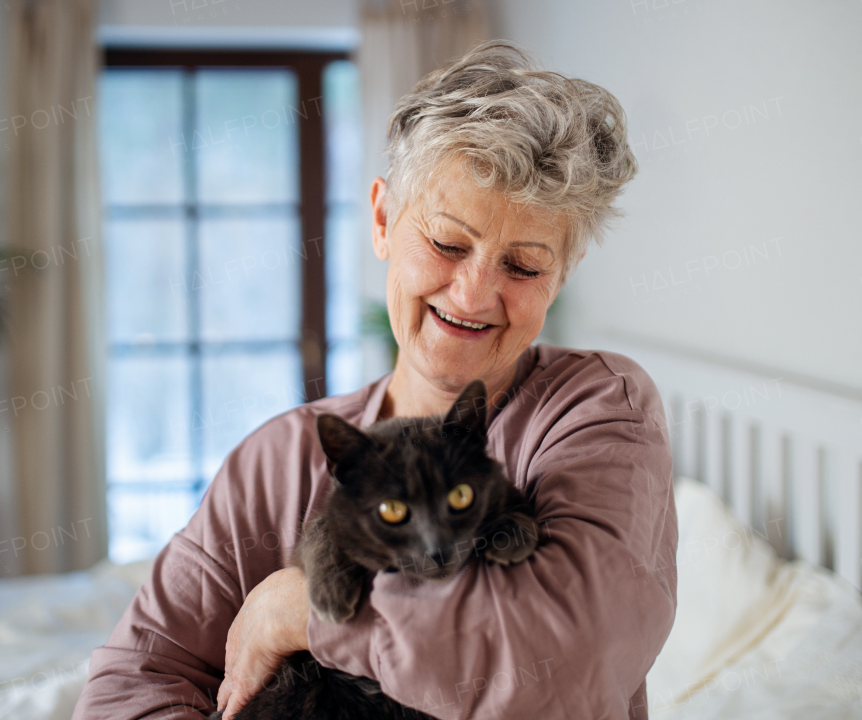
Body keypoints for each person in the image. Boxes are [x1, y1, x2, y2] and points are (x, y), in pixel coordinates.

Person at [73, 39, 677, 720]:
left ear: (562, 274)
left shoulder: (599, 412)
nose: (475, 295)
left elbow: (565, 660)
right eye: (448, 244)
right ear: (384, 218)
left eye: (525, 266)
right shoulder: (279, 460)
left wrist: (304, 613)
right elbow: (132, 682)